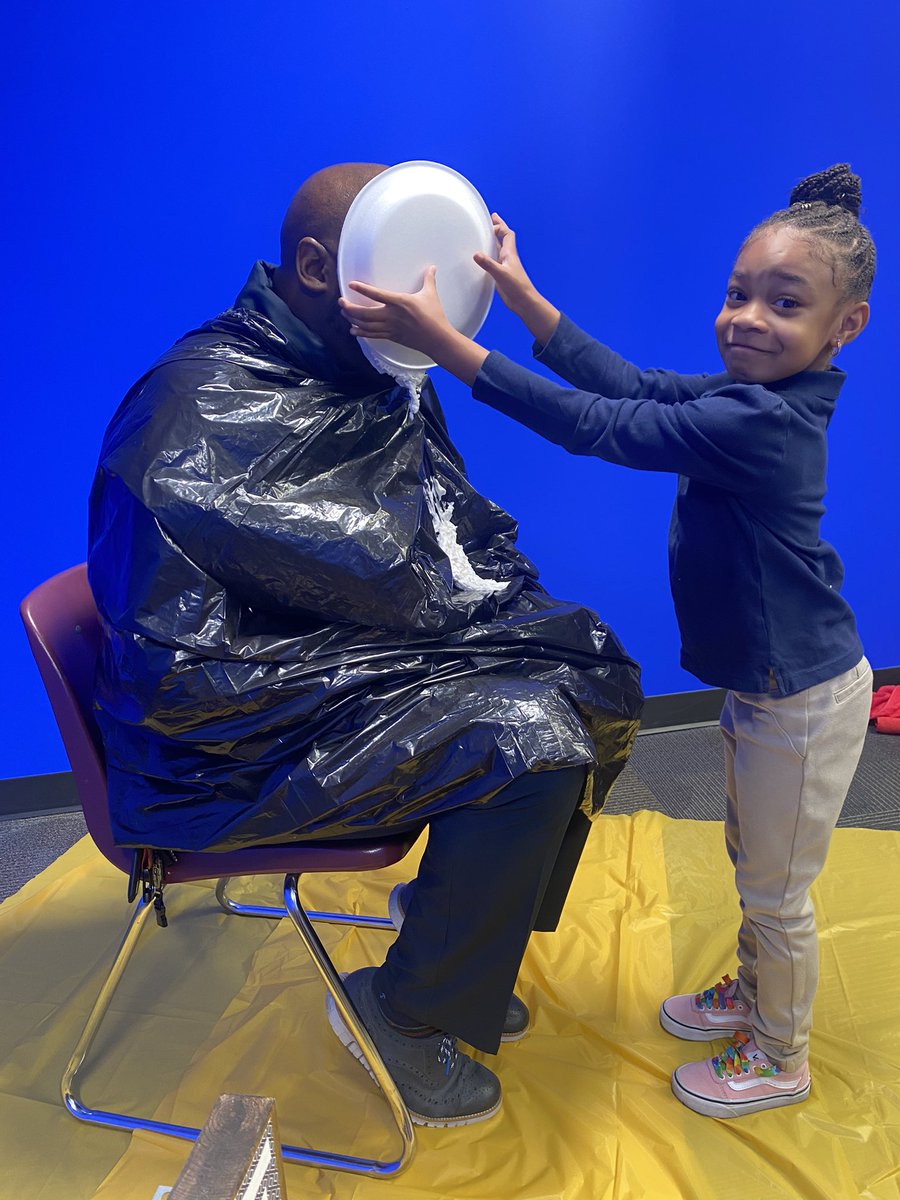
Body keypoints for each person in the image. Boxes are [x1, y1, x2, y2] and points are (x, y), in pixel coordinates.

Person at [88, 163, 643, 1128]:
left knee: (592, 667)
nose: (425, 320)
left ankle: (455, 942)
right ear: (317, 268)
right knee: (530, 739)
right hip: (224, 724)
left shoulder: (374, 368)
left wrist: (493, 601)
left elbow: (441, 530)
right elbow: (363, 571)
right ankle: (406, 1011)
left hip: (331, 660)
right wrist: (461, 611)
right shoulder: (201, 399)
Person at [340, 162, 876, 1118]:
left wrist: (449, 346)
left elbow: (596, 425)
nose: (748, 318)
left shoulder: (764, 425)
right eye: (738, 294)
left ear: (847, 326)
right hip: (769, 685)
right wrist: (523, 298)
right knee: (755, 856)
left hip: (801, 697)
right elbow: (628, 384)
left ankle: (779, 1053)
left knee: (776, 888)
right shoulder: (747, 399)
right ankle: (755, 995)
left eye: (785, 303)